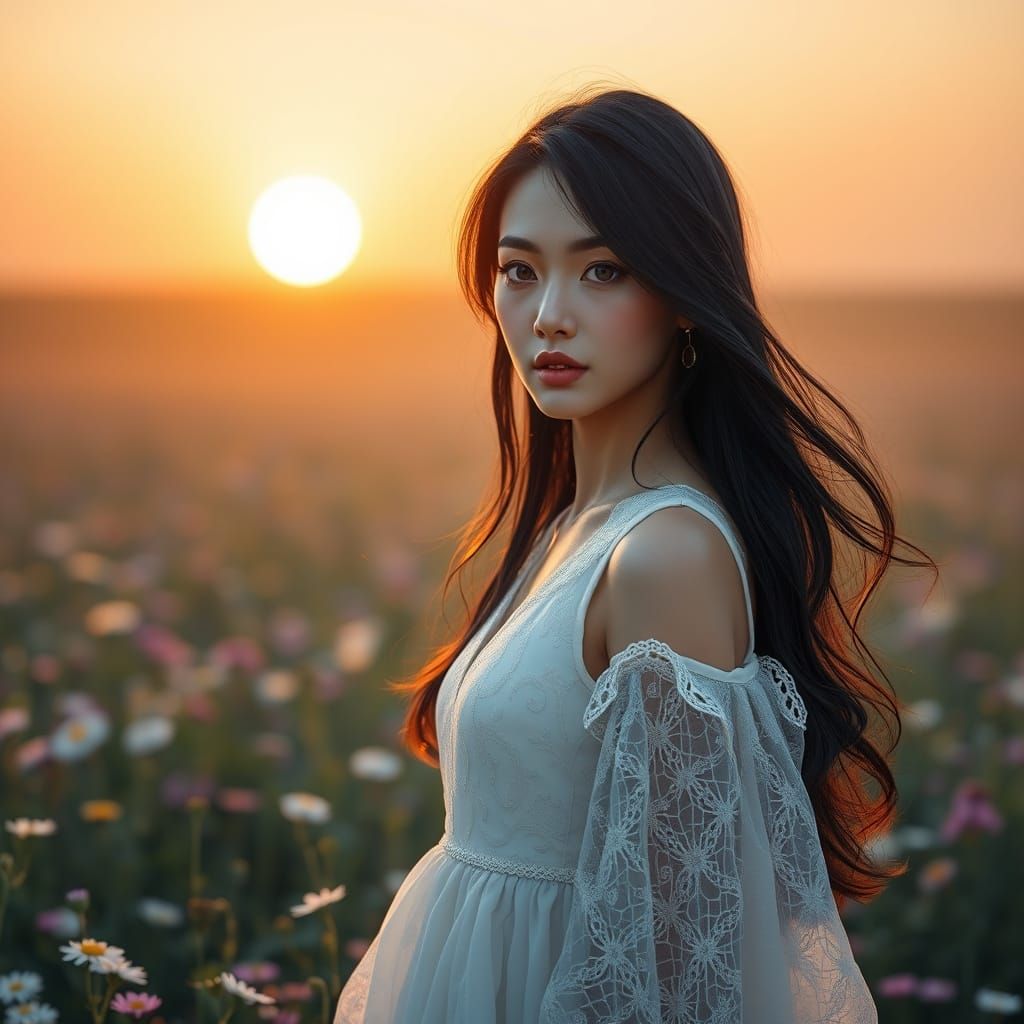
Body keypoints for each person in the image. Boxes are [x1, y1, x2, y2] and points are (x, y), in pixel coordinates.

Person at [334, 84, 936, 1023]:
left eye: (604, 270)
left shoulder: (666, 557)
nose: (548, 316)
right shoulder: (574, 527)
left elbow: (687, 962)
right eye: (519, 270)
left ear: (685, 294)